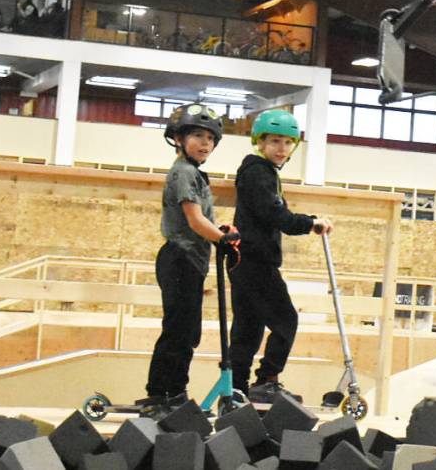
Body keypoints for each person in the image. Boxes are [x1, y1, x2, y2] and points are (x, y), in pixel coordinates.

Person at [141, 103, 240, 418]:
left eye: (210, 138)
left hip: (191, 259)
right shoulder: (183, 172)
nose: (205, 143)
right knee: (180, 330)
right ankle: (166, 393)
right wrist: (221, 238)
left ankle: (170, 391)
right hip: (180, 258)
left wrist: (220, 231)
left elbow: (203, 221)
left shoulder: (194, 173)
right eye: (197, 135)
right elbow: (195, 221)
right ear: (179, 138)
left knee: (185, 330)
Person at [229, 108, 333, 404]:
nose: (281, 149)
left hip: (245, 260)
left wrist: (306, 221)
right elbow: (276, 215)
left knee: (248, 328)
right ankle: (267, 379)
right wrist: (310, 222)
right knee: (286, 319)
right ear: (260, 143)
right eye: (275, 141)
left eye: (288, 143)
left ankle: (236, 388)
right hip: (255, 261)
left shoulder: (262, 173)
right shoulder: (258, 172)